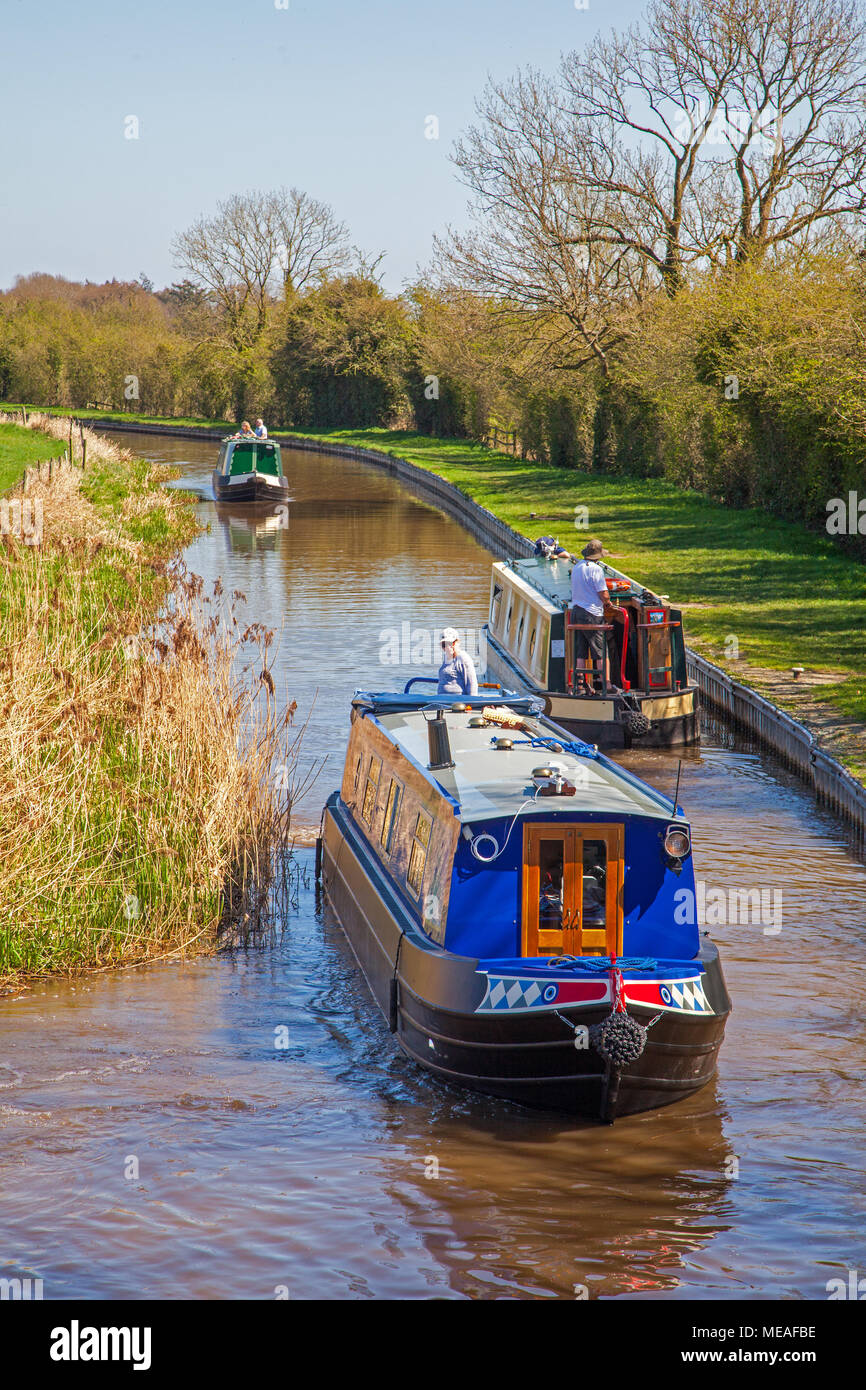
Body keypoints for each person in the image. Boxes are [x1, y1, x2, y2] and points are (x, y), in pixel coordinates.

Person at [570, 538, 619, 694]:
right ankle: (607, 685)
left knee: (581, 651)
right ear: (598, 556)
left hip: (576, 612)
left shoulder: (577, 567)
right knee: (601, 651)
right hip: (591, 613)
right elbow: (603, 593)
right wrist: (608, 603)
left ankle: (579, 685)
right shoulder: (596, 570)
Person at [437, 627, 479, 696]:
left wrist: (471, 703)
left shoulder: (463, 658)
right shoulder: (446, 657)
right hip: (442, 701)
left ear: (457, 642)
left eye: (450, 644)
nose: (448, 647)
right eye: (444, 645)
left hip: (458, 703)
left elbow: (472, 683)